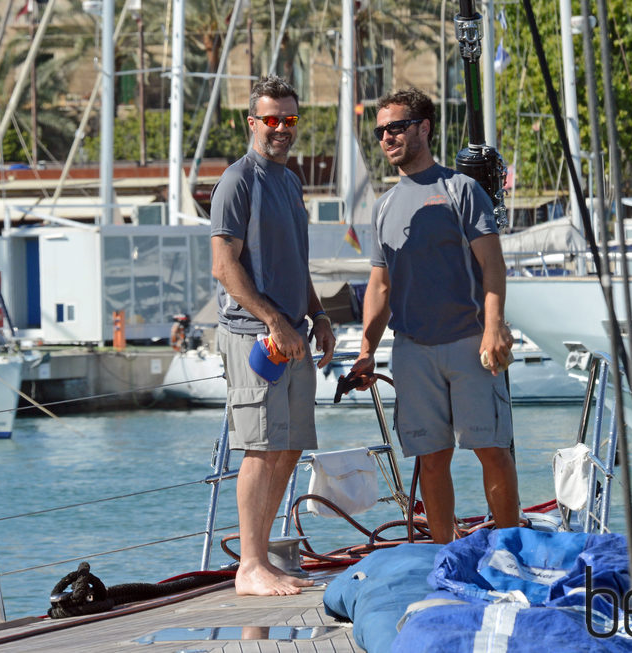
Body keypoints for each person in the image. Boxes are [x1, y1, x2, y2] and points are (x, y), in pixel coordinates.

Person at [350, 87, 519, 544]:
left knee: (491, 449)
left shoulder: (461, 190)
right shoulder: (383, 207)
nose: (387, 137)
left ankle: (509, 548)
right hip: (412, 351)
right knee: (430, 456)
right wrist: (367, 350)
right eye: (381, 130)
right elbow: (380, 287)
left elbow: (493, 265)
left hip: (469, 343)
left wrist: (493, 328)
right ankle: (444, 554)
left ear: (423, 128)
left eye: (397, 127)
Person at [210, 75, 336, 595]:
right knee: (260, 448)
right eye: (271, 119)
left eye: (290, 119)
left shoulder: (289, 181)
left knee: (286, 448)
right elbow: (224, 267)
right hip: (255, 337)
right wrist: (275, 321)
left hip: (293, 335)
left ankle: (259, 558)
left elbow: (294, 265)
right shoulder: (237, 181)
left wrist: (318, 315)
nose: (281, 128)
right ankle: (250, 566)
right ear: (252, 123)